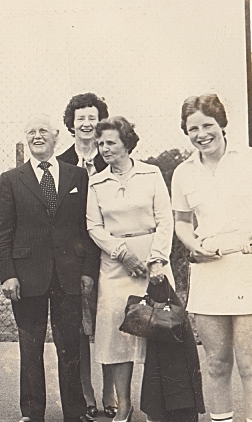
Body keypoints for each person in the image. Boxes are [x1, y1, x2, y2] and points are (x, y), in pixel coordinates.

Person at [87, 116, 203, 422]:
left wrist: (155, 260)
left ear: (127, 143)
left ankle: (158, 406)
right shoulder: (96, 182)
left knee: (159, 331)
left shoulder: (150, 174)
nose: (104, 148)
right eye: (100, 144)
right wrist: (122, 253)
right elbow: (94, 227)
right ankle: (124, 405)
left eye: (110, 142)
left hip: (153, 264)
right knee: (117, 337)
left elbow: (165, 220)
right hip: (115, 265)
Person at [0, 113, 99, 422]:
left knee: (70, 346)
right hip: (27, 277)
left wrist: (87, 271)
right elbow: (3, 232)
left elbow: (87, 227)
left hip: (68, 274)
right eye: (31, 132)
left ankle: (75, 412)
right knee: (30, 347)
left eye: (43, 131)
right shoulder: (12, 179)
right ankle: (32, 412)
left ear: (56, 136)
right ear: (26, 139)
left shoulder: (76, 176)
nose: (37, 136)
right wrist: (8, 274)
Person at [172, 94, 252, 422]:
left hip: (246, 270)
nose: (201, 133)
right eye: (193, 128)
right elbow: (181, 222)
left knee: (250, 363)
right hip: (208, 272)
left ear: (222, 124)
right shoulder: (183, 172)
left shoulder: (248, 159)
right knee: (217, 362)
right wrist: (193, 245)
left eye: (208, 125)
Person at [57, 93, 116, 419]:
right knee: (77, 330)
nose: (86, 124)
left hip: (109, 255)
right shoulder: (61, 162)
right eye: (80, 118)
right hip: (73, 258)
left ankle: (111, 394)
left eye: (92, 118)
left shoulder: (113, 157)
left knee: (109, 325)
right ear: (71, 123)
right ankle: (85, 396)